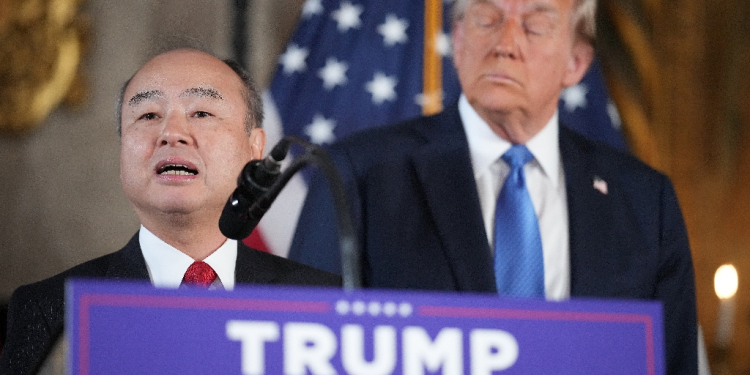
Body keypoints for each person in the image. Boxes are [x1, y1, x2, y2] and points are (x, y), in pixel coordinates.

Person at [288, 0, 697, 374]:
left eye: (535, 26)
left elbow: (672, 362)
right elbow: (302, 349)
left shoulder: (645, 201)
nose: (506, 43)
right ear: (460, 39)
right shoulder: (357, 175)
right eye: (487, 18)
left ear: (576, 61)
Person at [0, 48, 340, 375]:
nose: (171, 134)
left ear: (255, 148)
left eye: (202, 113)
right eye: (148, 115)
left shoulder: (323, 303)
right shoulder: (53, 308)